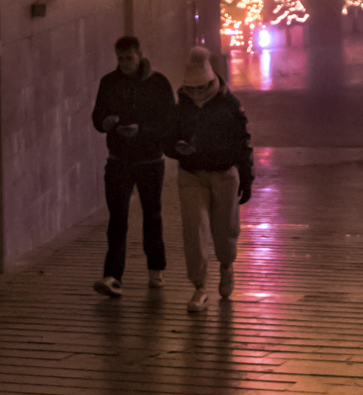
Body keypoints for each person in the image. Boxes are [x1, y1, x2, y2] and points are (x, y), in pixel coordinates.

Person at [90, 33, 175, 298]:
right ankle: (113, 275)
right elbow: (97, 116)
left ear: (139, 55)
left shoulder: (158, 83)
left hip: (150, 160)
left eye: (129, 57)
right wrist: (105, 123)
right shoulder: (109, 82)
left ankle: (156, 269)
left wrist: (142, 130)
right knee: (117, 219)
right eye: (120, 58)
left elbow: (169, 121)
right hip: (119, 160)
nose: (124, 63)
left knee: (152, 216)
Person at [171, 46, 253, 313]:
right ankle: (199, 286)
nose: (196, 94)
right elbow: (167, 137)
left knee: (224, 228)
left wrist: (247, 177)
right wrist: (176, 148)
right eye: (191, 89)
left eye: (200, 88)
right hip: (191, 173)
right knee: (194, 229)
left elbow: (242, 143)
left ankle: (226, 264)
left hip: (223, 174)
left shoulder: (229, 104)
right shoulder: (181, 105)